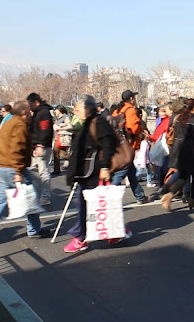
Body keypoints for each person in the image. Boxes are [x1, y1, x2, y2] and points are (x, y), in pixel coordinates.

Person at [0, 101, 50, 247]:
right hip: (15, 169)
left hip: (4, 166)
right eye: (28, 111)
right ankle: (34, 229)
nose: (30, 114)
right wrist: (19, 170)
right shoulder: (19, 125)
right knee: (31, 196)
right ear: (23, 112)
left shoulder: (7, 123)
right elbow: (16, 148)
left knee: (0, 200)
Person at [64, 96, 131, 253]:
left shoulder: (98, 122)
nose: (75, 112)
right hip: (86, 170)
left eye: (78, 109)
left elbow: (107, 144)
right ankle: (116, 231)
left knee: (88, 203)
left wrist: (105, 167)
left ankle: (80, 237)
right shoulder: (88, 122)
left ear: (87, 109)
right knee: (98, 203)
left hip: (93, 170)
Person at [160, 99, 194, 211]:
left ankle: (169, 195)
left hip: (180, 150)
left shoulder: (179, 119)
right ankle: (193, 201)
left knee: (183, 176)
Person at [111, 90, 147, 204]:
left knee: (131, 171)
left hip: (117, 144)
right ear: (131, 99)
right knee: (122, 171)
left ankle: (140, 196)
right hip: (128, 145)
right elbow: (134, 127)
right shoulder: (130, 110)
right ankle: (108, 196)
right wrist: (142, 131)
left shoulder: (117, 110)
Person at [27, 93, 54, 206]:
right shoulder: (38, 113)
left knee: (43, 172)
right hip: (36, 145)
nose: (29, 106)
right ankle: (40, 194)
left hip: (41, 146)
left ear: (36, 102)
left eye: (30, 104)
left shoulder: (43, 113)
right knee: (32, 171)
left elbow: (45, 130)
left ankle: (45, 196)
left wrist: (41, 145)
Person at [150, 105, 170, 187]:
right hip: (159, 144)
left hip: (163, 146)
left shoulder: (166, 121)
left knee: (162, 167)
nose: (160, 113)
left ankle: (163, 185)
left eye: (163, 111)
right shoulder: (161, 121)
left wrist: (150, 137)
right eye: (160, 111)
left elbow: (160, 135)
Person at [53, 105, 73, 175]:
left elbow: (70, 126)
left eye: (56, 110)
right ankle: (56, 170)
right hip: (57, 137)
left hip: (63, 137)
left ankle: (73, 159)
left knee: (61, 153)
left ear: (60, 110)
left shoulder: (66, 117)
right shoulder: (57, 118)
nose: (55, 111)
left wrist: (60, 128)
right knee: (56, 152)